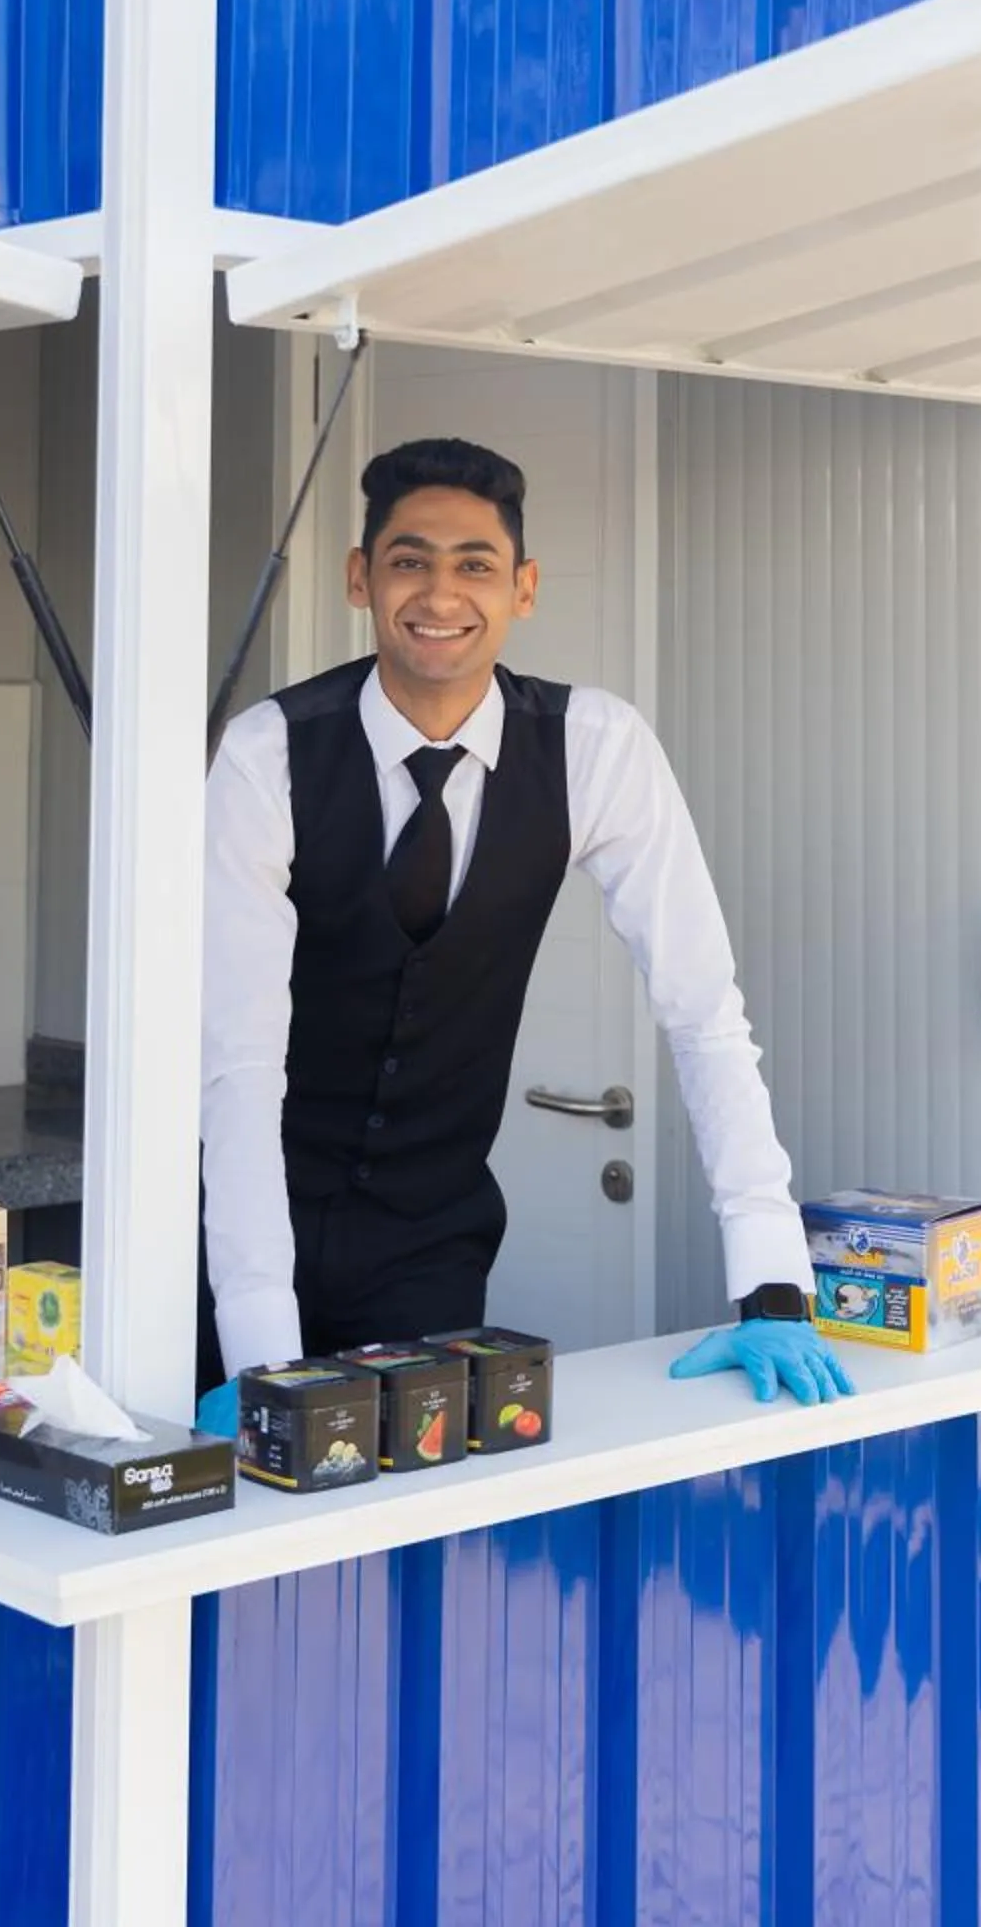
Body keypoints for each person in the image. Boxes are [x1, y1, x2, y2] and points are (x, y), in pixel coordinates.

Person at [196, 435, 853, 1430]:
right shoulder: (266, 757)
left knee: (397, 1550)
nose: (439, 595)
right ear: (358, 577)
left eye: (475, 566)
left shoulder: (591, 749)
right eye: (408, 561)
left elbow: (702, 1009)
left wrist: (769, 1282)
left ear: (522, 588)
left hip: (429, 1249)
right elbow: (237, 1063)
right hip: (233, 1234)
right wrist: (258, 1355)